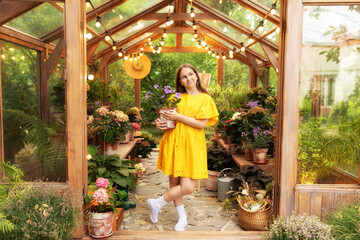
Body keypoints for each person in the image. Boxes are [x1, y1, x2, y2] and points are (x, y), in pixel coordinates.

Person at [147, 64, 219, 231]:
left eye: (191, 74)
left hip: (192, 145)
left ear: (196, 75)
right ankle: (182, 218)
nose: (189, 78)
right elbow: (166, 120)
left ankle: (156, 203)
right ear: (180, 81)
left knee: (187, 187)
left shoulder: (205, 99)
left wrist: (178, 116)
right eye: (184, 77)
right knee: (174, 184)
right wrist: (160, 123)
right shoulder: (176, 97)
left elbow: (201, 125)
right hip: (173, 141)